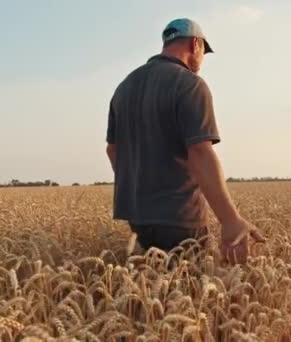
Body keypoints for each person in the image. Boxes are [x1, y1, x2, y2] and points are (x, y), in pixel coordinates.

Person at [106, 18, 264, 264]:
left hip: (138, 219)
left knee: (149, 292)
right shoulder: (189, 84)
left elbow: (112, 150)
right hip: (180, 218)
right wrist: (230, 220)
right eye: (204, 52)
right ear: (195, 44)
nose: (202, 61)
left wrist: (142, 186)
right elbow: (200, 153)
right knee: (189, 293)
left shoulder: (124, 87)